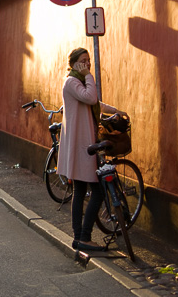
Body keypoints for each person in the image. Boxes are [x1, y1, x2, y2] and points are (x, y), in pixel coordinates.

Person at [57, 47, 126, 251]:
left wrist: (115, 111)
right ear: (74, 63)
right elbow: (90, 98)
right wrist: (89, 76)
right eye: (83, 60)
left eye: (88, 60)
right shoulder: (72, 81)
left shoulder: (77, 81)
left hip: (84, 144)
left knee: (80, 190)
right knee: (96, 190)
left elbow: (95, 103)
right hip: (82, 145)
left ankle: (79, 238)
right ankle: (84, 236)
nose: (87, 64)